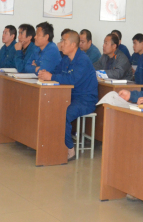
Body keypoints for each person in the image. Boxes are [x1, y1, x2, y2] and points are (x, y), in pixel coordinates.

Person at [38, 31, 98, 160]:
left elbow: (72, 80)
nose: (61, 44)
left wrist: (51, 77)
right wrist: (45, 74)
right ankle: (51, 145)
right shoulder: (65, 59)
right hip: (69, 96)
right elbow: (56, 72)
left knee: (63, 113)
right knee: (49, 108)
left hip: (85, 100)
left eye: (64, 42)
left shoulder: (83, 60)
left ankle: (69, 149)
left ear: (73, 44)